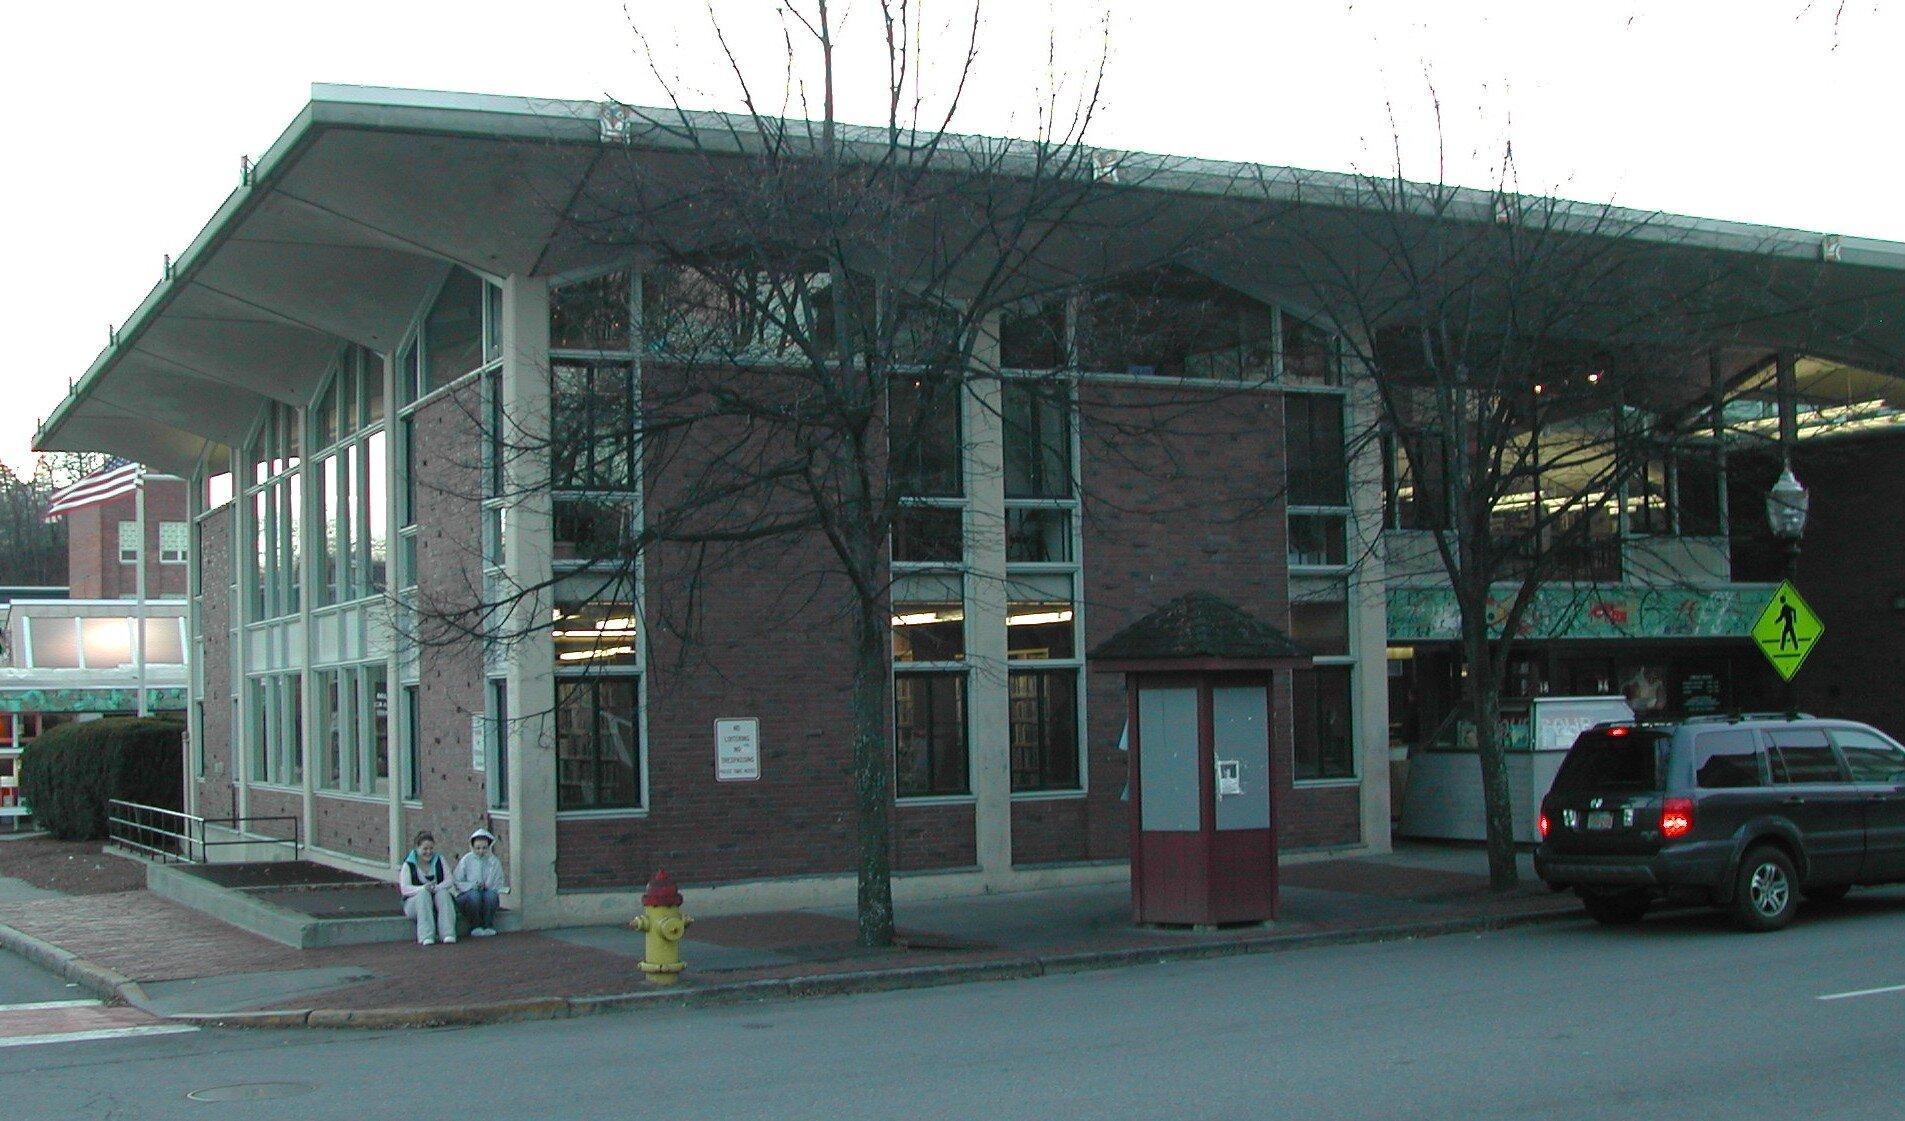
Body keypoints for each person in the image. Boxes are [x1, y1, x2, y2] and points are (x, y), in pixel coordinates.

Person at [398, 830, 458, 945]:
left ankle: (448, 933)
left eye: (431, 848)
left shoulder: (439, 860)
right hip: (414, 904)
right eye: (425, 849)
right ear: (417, 848)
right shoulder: (408, 865)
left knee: (443, 893)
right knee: (423, 895)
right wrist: (422, 888)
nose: (428, 852)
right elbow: (404, 889)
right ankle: (426, 935)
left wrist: (436, 888)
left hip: (436, 899)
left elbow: (449, 880)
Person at [453, 827, 510, 936]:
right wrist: (472, 886)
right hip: (468, 894)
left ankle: (488, 925)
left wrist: (487, 886)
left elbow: (498, 882)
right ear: (472, 847)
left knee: (491, 896)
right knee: (475, 896)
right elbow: (457, 880)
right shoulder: (466, 860)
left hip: (487, 891)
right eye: (477, 848)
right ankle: (475, 925)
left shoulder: (494, 862)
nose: (481, 851)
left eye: (484, 848)